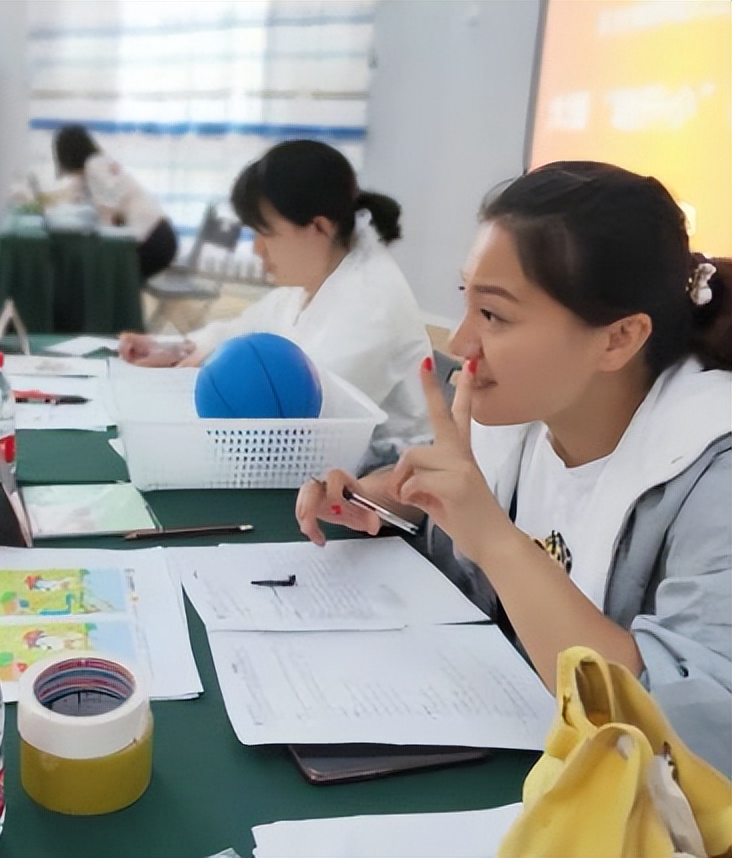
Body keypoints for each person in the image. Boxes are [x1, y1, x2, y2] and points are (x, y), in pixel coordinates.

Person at [296, 161, 732, 776]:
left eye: (495, 316)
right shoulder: (521, 412)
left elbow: (701, 734)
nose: (460, 344)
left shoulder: (713, 471)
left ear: (619, 339)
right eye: (465, 302)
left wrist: (496, 541)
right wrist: (384, 499)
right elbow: (446, 514)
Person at [120, 139, 434, 463]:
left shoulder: (371, 302)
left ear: (317, 227)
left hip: (381, 487)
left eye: (265, 233)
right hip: (311, 469)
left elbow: (296, 405)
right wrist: (180, 347)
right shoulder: (314, 277)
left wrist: (211, 368)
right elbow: (243, 330)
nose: (257, 249)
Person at [52, 123, 178, 280]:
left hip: (153, 241)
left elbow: (109, 213)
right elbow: (73, 196)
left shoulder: (94, 166)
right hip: (159, 236)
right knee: (94, 272)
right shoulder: (96, 165)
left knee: (96, 274)